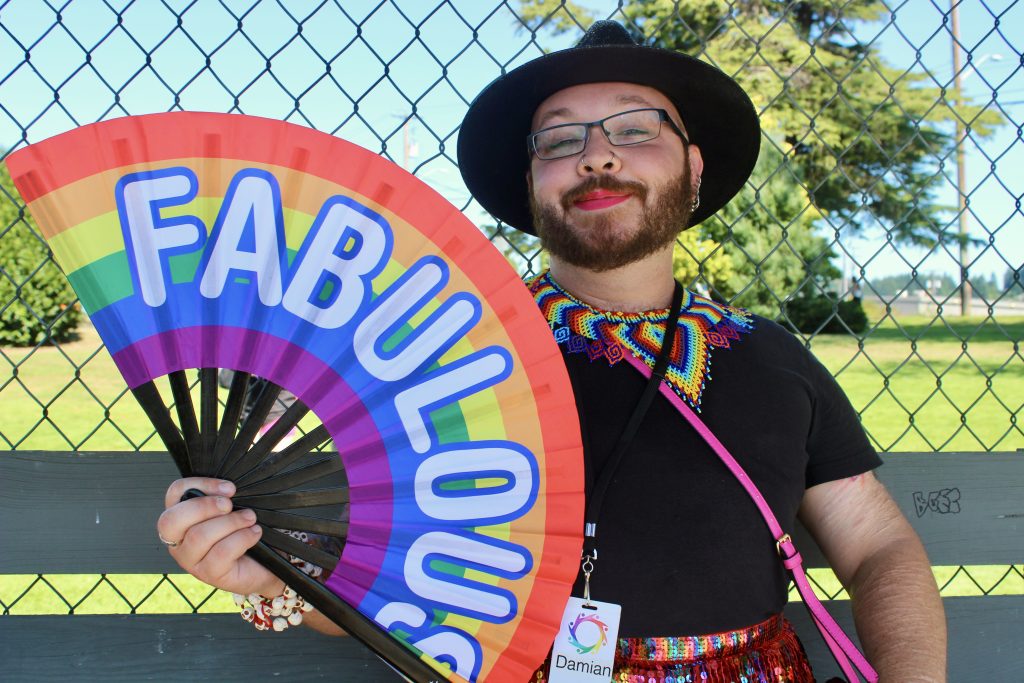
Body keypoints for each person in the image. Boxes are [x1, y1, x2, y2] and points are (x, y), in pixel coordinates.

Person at [157, 20, 946, 682]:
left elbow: (877, 545)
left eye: (635, 130)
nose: (598, 156)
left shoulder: (775, 358)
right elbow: (387, 588)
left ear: (694, 168)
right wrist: (267, 579)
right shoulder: (439, 357)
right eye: (561, 140)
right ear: (532, 184)